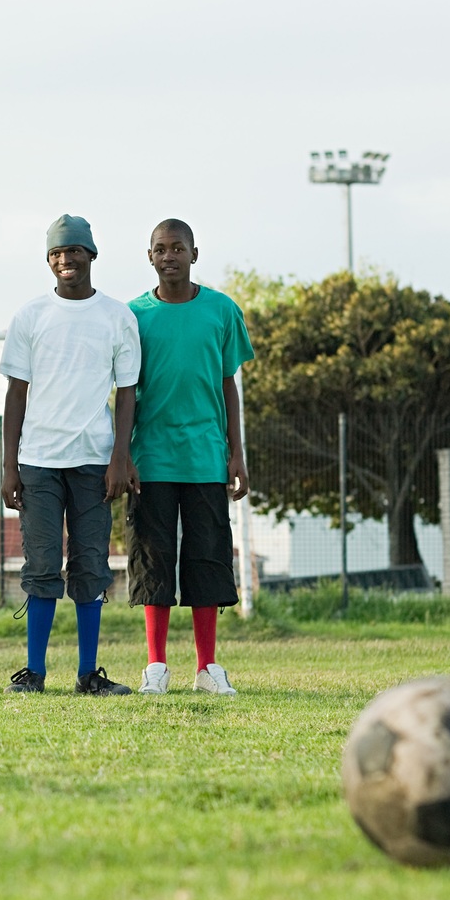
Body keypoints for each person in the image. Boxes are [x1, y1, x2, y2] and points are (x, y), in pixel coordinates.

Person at [0, 214, 142, 695]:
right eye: (57, 253)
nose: (66, 260)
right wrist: (9, 465)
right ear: (48, 259)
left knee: (90, 565)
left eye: (74, 251)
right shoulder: (30, 316)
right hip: (39, 461)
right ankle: (33, 672)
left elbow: (127, 393)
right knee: (40, 565)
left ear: (91, 255)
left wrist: (120, 456)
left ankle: (88, 673)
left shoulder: (117, 316)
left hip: (93, 461)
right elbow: (16, 393)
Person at [127, 218, 254, 695]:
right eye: (161, 248)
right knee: (153, 561)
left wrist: (236, 452)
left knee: (207, 560)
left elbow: (229, 385)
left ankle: (207, 668)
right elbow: (123, 393)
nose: (169, 256)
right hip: (152, 458)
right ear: (150, 257)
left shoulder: (222, 311)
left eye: (178, 248)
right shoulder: (133, 315)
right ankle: (155, 667)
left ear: (194, 254)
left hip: (206, 457)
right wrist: (123, 455)